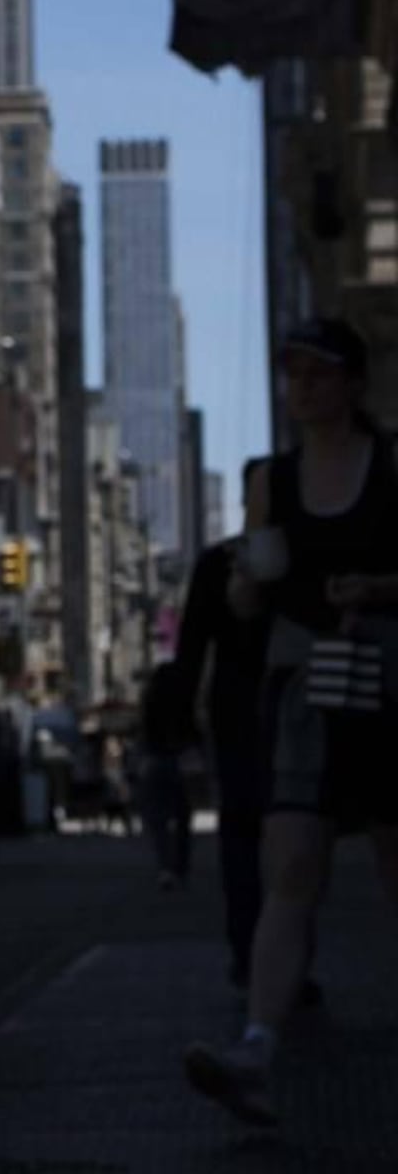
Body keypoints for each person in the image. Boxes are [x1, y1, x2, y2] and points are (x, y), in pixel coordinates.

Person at [185, 318, 398, 1130]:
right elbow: (252, 596)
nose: (301, 388)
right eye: (292, 375)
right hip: (306, 686)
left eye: (316, 373)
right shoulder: (273, 478)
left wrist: (377, 589)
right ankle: (256, 1050)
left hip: (389, 683)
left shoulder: (391, 463)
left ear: (352, 382)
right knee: (292, 867)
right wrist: (245, 586)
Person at [172, 479, 277, 991]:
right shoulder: (292, 558)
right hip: (280, 707)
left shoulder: (217, 561)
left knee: (243, 834)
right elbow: (190, 649)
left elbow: (189, 649)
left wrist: (185, 725)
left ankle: (251, 952)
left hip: (237, 710)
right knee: (286, 836)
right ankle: (272, 957)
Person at [136, 662, 194, 892]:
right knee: (182, 818)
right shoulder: (182, 703)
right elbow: (193, 734)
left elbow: (144, 734)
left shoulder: (150, 701)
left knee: (158, 821)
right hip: (180, 762)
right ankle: (181, 866)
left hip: (155, 762)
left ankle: (165, 868)